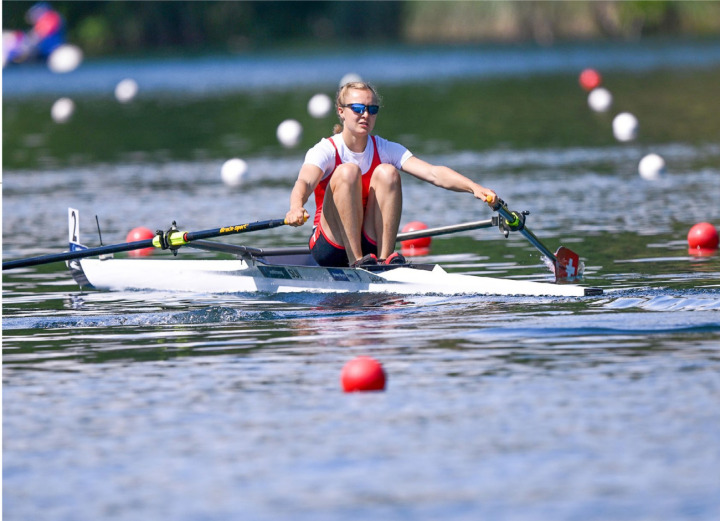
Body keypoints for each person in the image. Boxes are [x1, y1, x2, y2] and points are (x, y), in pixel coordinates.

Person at [285, 81, 497, 268]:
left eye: (372, 109)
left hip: (370, 242)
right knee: (348, 171)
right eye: (358, 108)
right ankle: (356, 260)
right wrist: (296, 207)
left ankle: (384, 260)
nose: (365, 114)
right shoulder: (325, 150)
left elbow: (433, 173)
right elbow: (304, 181)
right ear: (341, 112)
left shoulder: (384, 148)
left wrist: (474, 188)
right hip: (331, 246)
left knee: (388, 172)